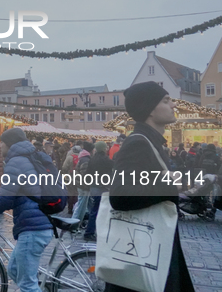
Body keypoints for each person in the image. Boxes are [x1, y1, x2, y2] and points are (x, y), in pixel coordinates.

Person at [106, 81, 194, 292]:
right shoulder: (138, 142)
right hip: (144, 255)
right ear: (150, 109)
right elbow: (120, 196)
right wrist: (174, 186)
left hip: (152, 250)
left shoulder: (151, 141)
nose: (173, 105)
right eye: (166, 100)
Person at [0, 128, 53, 291]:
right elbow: (21, 193)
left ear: (8, 144)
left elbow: (5, 198)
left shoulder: (17, 162)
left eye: (1, 142)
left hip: (33, 228)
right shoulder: (30, 157)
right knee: (14, 269)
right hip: (40, 223)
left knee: (27, 284)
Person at [83, 141, 114, 241]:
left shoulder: (92, 159)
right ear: (104, 149)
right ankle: (93, 232)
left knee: (94, 210)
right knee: (103, 211)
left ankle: (90, 231)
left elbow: (88, 174)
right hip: (103, 188)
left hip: (94, 187)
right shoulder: (107, 160)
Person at [71, 141, 94, 224]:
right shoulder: (86, 160)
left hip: (81, 184)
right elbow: (85, 174)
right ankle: (74, 223)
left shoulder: (83, 157)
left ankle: (78, 222)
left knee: (83, 204)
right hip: (84, 186)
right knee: (81, 206)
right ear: (90, 150)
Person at [61, 145, 81, 214]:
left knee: (70, 192)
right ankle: (76, 208)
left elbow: (64, 167)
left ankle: (70, 208)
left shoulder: (70, 157)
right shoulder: (81, 158)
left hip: (69, 177)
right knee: (76, 193)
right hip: (78, 178)